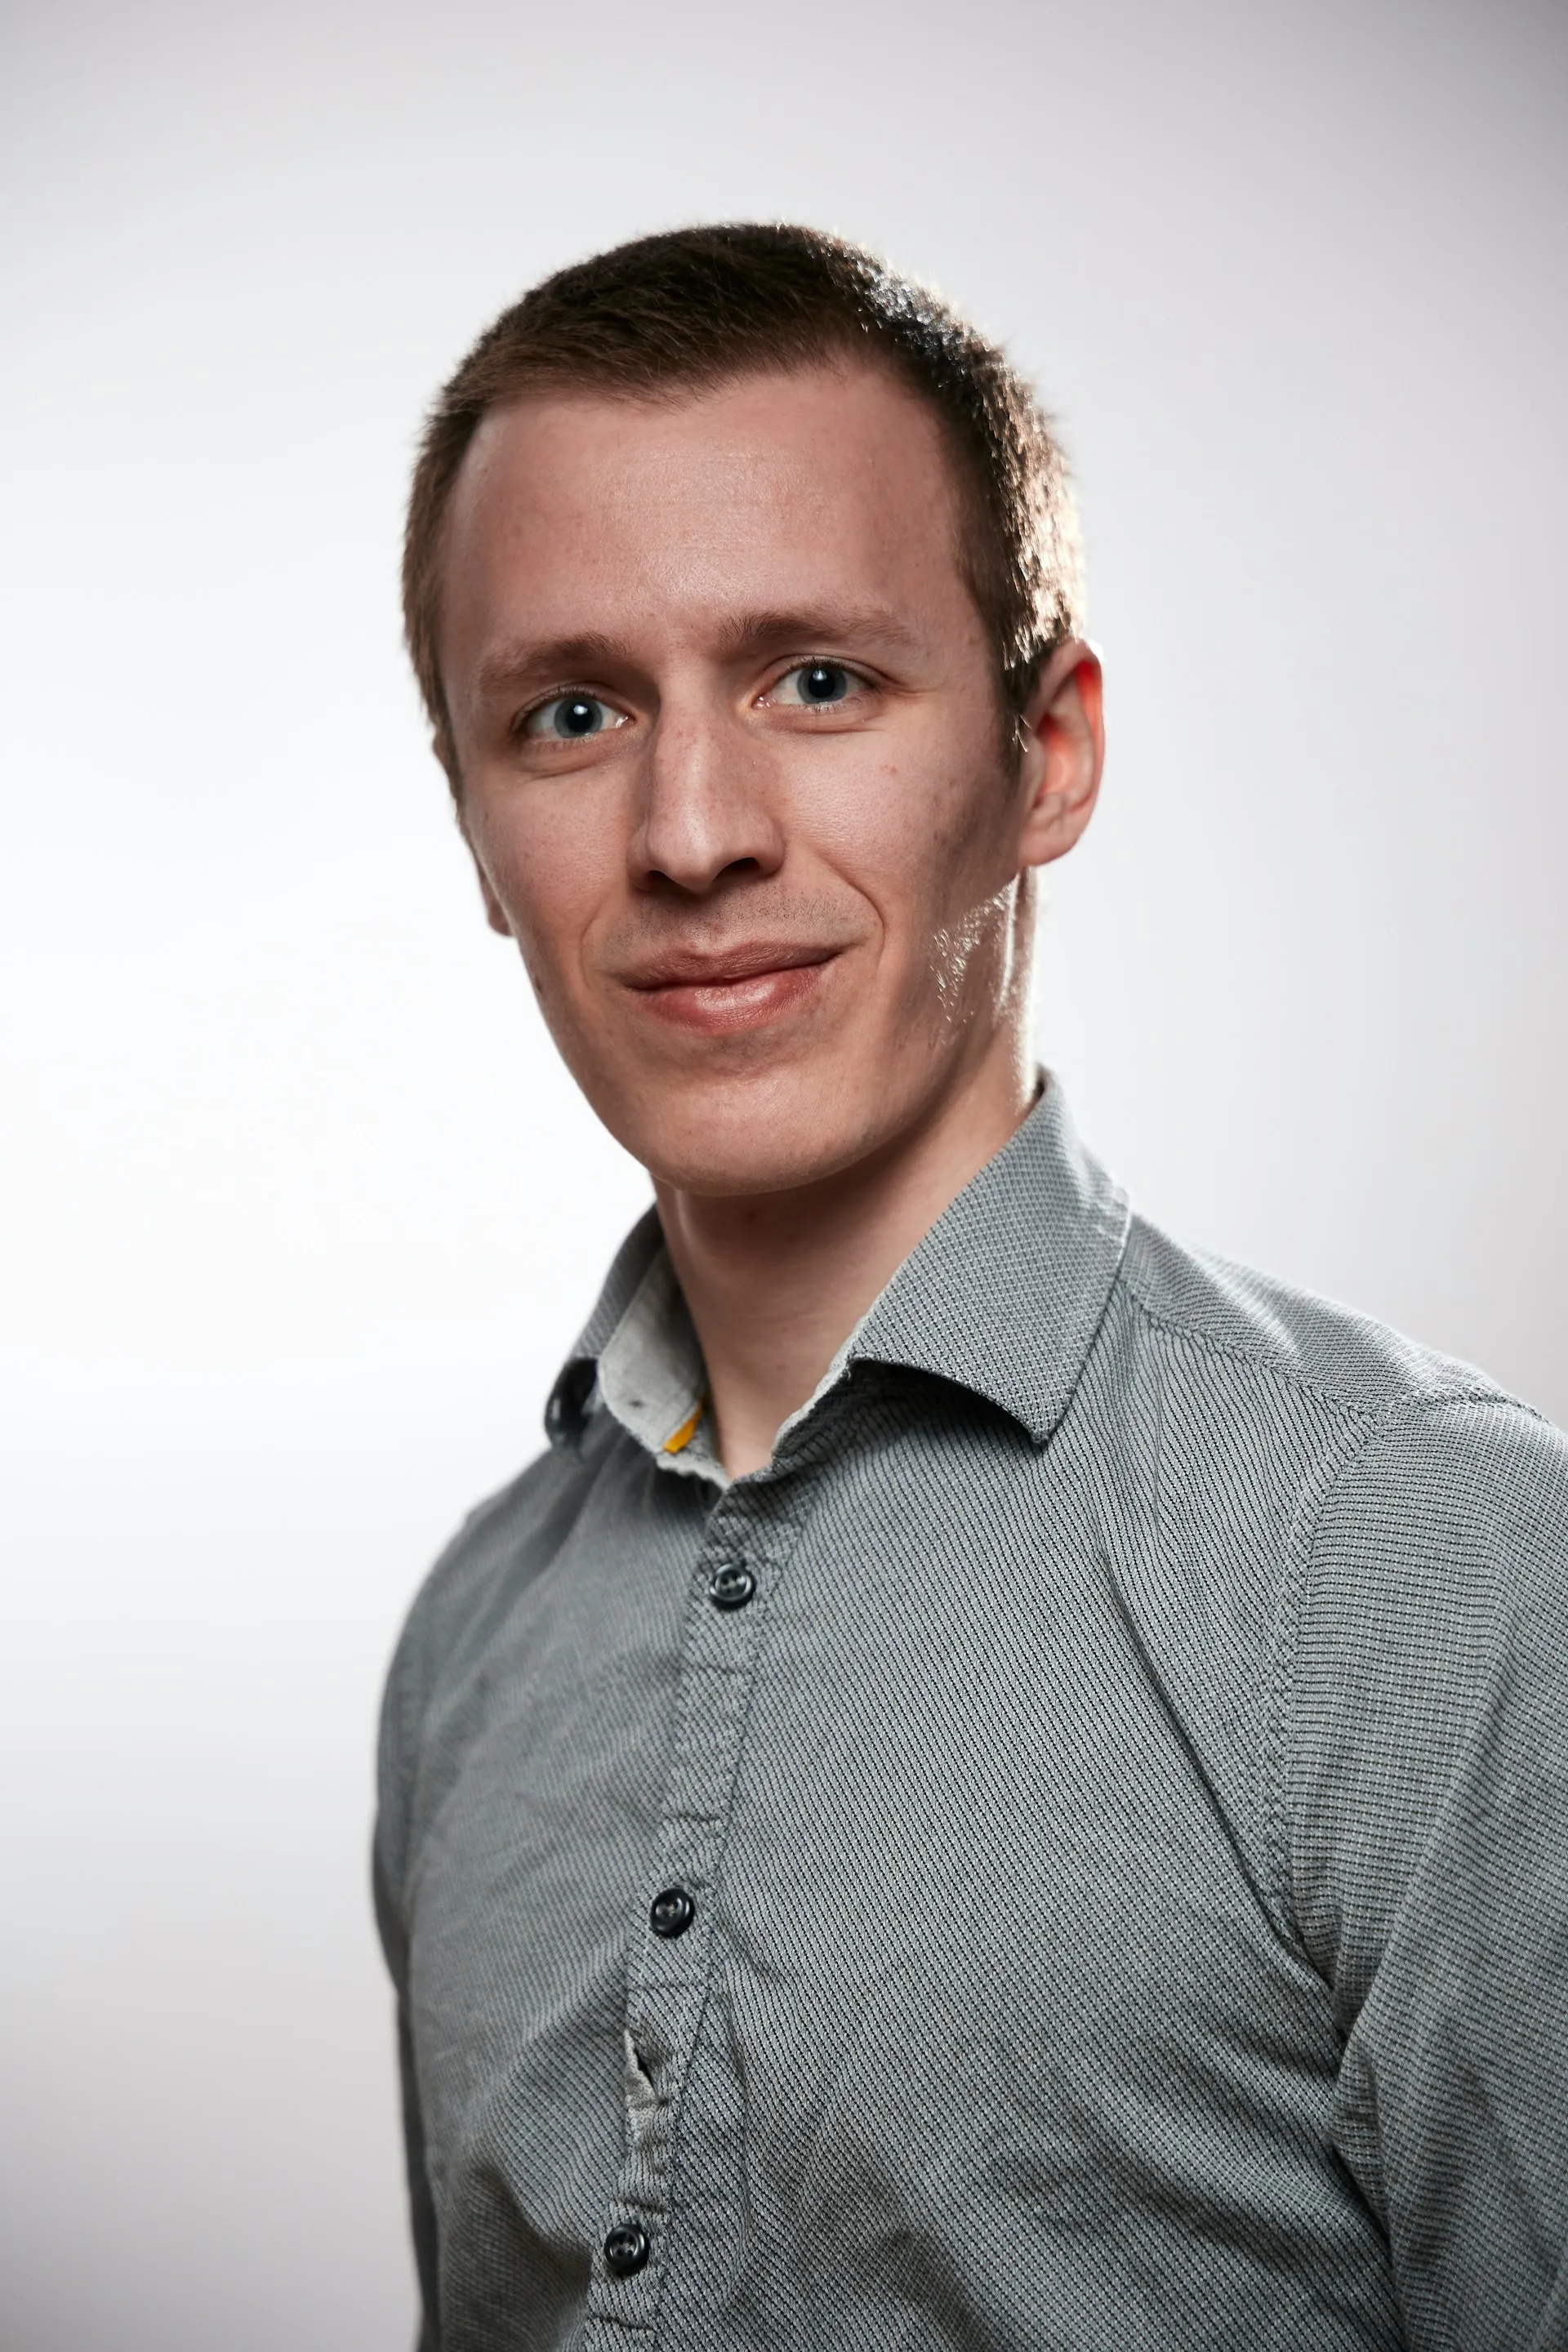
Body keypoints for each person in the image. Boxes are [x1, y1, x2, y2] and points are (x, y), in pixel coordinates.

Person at [374, 225, 1568, 2351]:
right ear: (475, 828)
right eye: (571, 713)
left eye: (816, 680)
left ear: (1049, 752)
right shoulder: (470, 1642)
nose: (693, 828)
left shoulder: (1440, 1569)